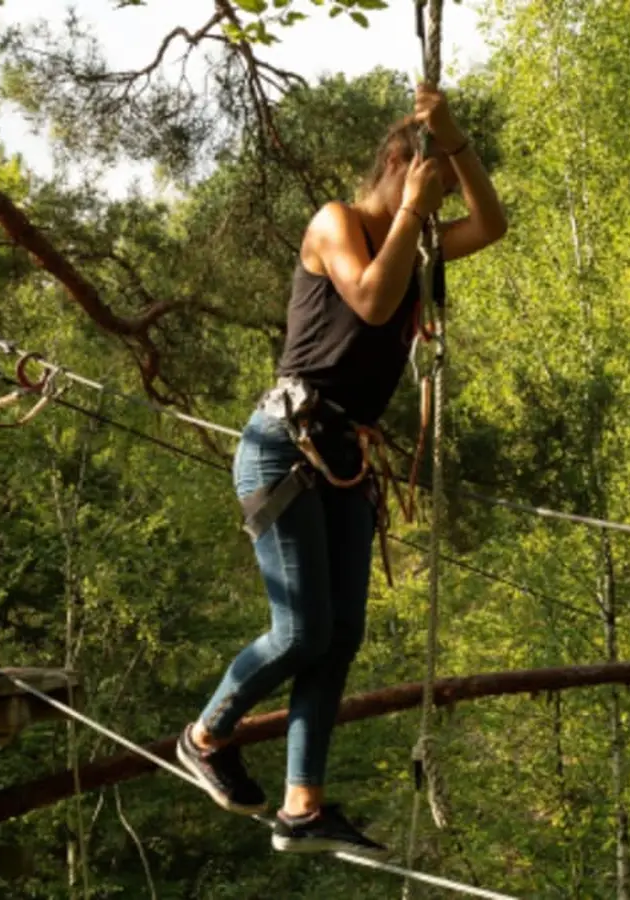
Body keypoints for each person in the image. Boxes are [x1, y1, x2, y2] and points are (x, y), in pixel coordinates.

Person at [175, 85, 508, 854]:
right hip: (284, 443)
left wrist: (456, 145)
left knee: (340, 635)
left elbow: (492, 224)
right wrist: (418, 212)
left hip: (344, 455)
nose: (436, 199)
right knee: (302, 631)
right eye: (427, 181)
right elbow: (367, 298)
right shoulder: (337, 221)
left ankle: (303, 804)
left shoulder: (413, 238)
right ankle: (204, 734)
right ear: (397, 163)